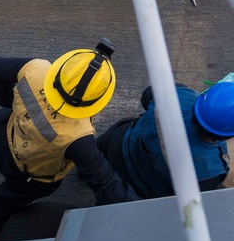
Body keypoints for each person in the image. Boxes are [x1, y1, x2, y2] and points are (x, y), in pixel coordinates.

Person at [0, 39, 138, 236]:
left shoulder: (35, 70)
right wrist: (143, 215)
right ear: (97, 101)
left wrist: (11, 102)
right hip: (30, 175)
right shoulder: (80, 138)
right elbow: (106, 184)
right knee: (5, 201)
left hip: (4, 131)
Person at [95, 82, 231, 199]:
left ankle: (83, 173)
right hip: (139, 185)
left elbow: (147, 95)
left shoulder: (180, 95)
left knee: (93, 161)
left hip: (120, 141)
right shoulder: (209, 171)